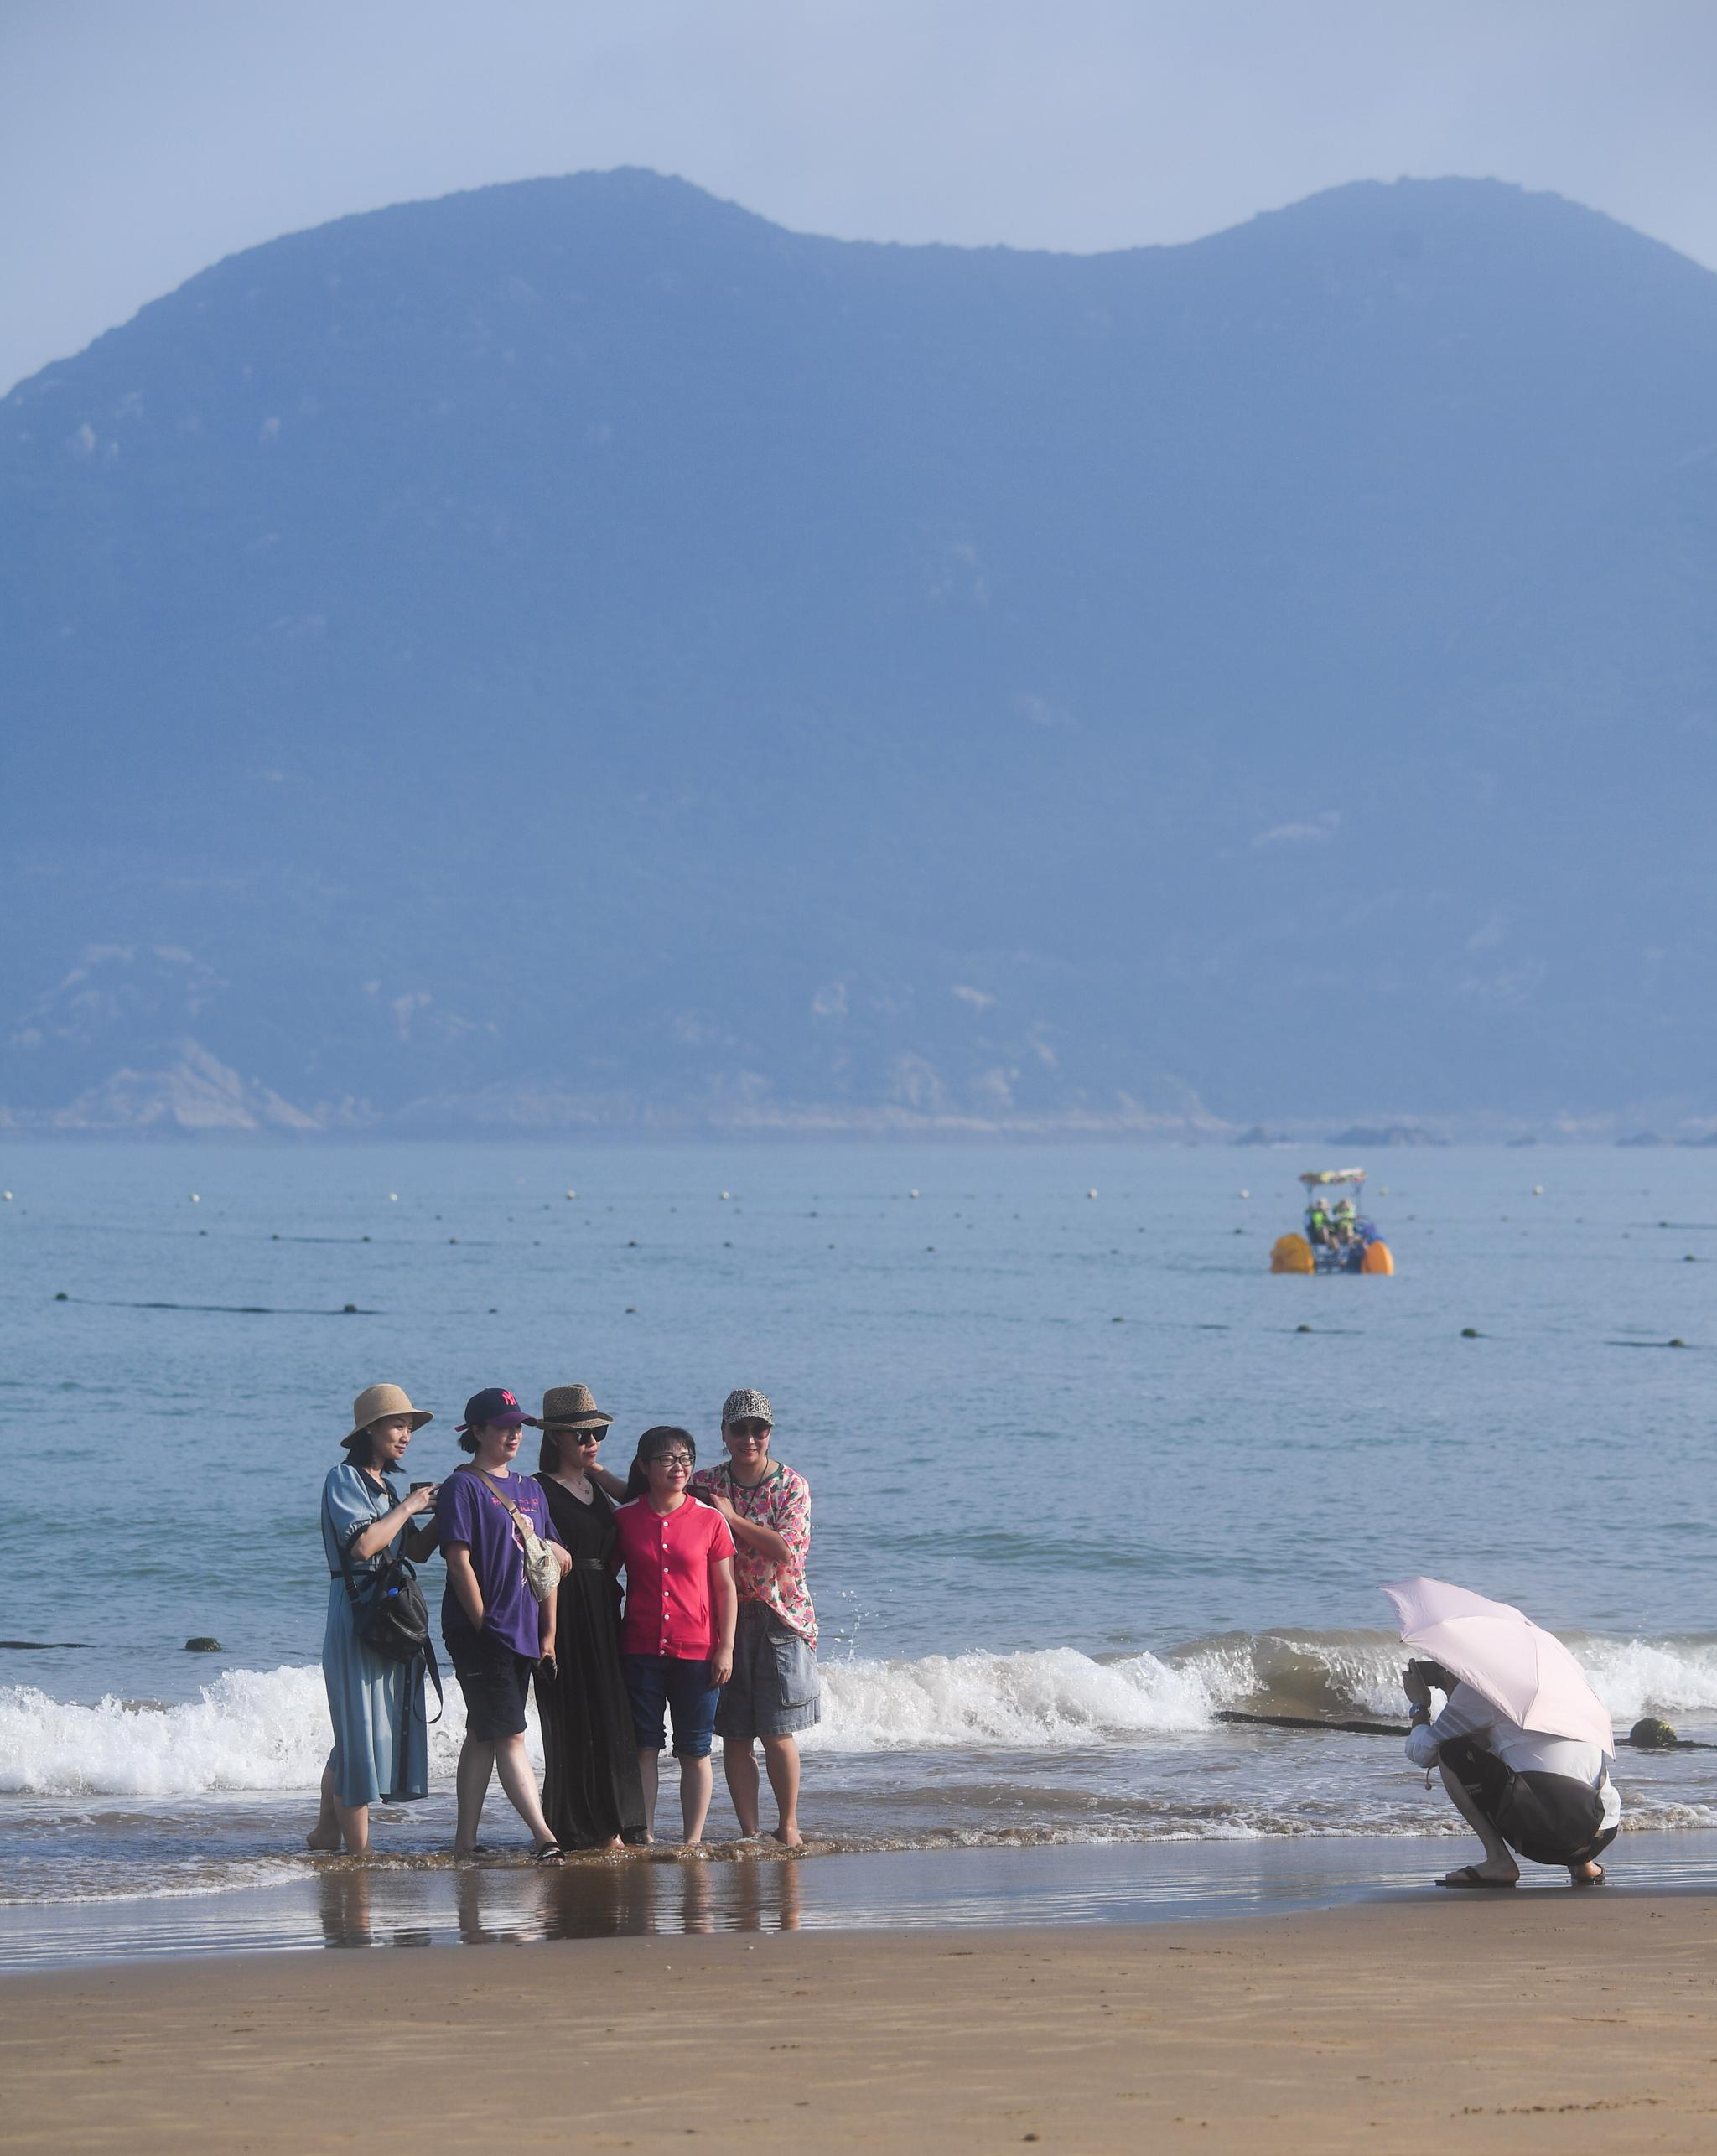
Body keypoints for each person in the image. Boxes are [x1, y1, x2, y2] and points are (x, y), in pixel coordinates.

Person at [309, 1384, 441, 1854]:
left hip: (387, 1613)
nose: (406, 1434)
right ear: (369, 1430)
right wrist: (408, 1507)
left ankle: (327, 1831)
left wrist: (445, 1511)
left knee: (363, 1730)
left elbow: (416, 1553)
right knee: (357, 1730)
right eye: (397, 1424)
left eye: (410, 1427)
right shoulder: (343, 1478)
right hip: (357, 1613)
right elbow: (363, 1546)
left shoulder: (387, 1487)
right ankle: (359, 1857)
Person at [438, 1386, 565, 1862]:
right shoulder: (463, 1486)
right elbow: (458, 1562)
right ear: (477, 1432)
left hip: (526, 1628)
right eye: (503, 1426)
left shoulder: (531, 1489)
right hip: (480, 1631)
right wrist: (482, 1623)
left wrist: (548, 1633)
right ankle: (544, 1837)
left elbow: (545, 1567)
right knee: (511, 1732)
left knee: (484, 1732)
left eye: (518, 1426)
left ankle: (464, 1842)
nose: (514, 1434)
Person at [691, 1386, 819, 1846]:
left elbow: (787, 1551)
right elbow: (650, 1491)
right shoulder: (703, 1481)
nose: (749, 1438)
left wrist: (728, 1517)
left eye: (758, 1429)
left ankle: (787, 1827)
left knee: (777, 1731)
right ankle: (748, 1831)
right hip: (720, 1618)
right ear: (723, 1433)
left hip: (778, 1617)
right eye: (739, 1429)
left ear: (770, 1433)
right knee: (734, 1735)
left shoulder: (792, 1486)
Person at [528, 1384, 648, 1848]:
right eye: (580, 1435)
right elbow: (530, 1548)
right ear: (555, 1437)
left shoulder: (594, 1482)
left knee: (609, 1711)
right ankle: (577, 1825)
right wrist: (547, 1632)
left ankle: (617, 1822)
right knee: (571, 1713)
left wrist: (592, 1464)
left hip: (603, 1602)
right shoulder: (537, 1488)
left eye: (597, 1432)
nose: (591, 1440)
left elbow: (637, 1494)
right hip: (564, 1604)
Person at [611, 1426, 738, 1845]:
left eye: (686, 1458)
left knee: (695, 1749)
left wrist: (726, 1648)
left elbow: (725, 1589)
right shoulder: (624, 1519)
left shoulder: (710, 1519)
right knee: (645, 1746)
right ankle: (644, 1837)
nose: (678, 1466)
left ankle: (691, 1843)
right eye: (667, 1459)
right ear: (644, 1467)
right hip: (640, 1649)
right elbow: (603, 1580)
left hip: (698, 1652)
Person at [1404, 1658, 1619, 1888]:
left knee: (1450, 1752)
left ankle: (1499, 1861)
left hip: (1546, 1836)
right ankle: (1583, 1864)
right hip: (1601, 1831)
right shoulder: (1568, 1682)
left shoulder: (1482, 1686)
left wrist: (1420, 1705)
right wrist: (1454, 1695)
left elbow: (1421, 1752)